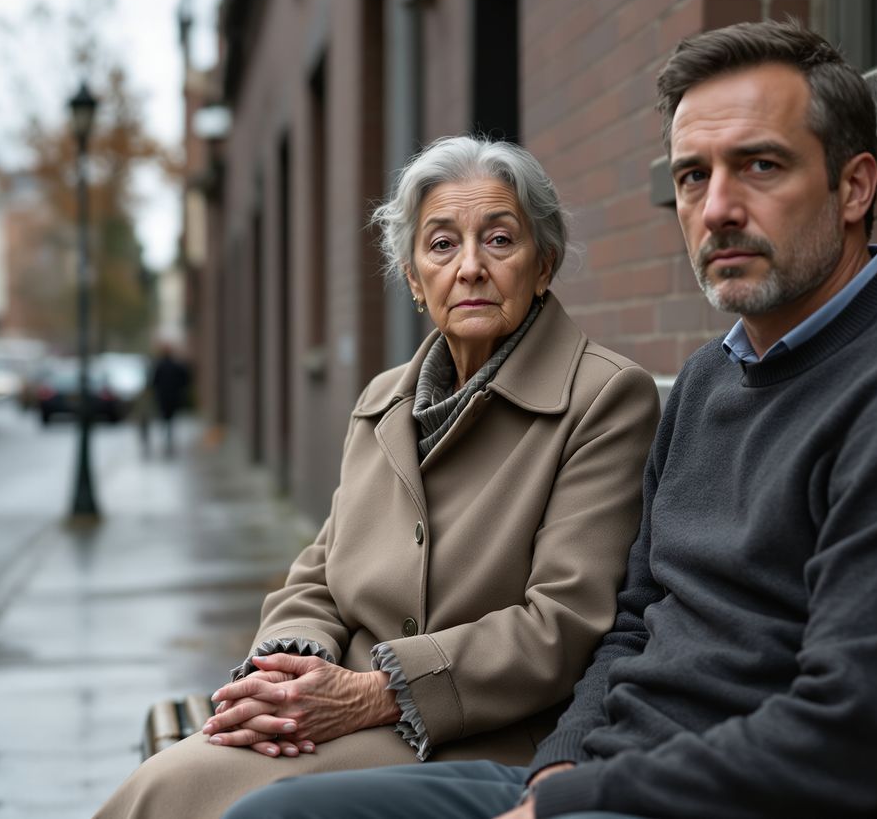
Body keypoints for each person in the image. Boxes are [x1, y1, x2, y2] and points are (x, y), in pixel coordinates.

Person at [223, 20, 877, 819]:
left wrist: (562, 799)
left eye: (762, 166)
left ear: (853, 186)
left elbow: (853, 742)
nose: (717, 210)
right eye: (692, 175)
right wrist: (560, 773)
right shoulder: (713, 378)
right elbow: (633, 624)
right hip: (606, 778)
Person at [94, 136, 660, 818]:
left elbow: (562, 625)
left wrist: (372, 693)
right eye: (443, 245)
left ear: (544, 265)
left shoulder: (604, 399)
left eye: (500, 240)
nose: (472, 267)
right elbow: (319, 572)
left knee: (204, 794)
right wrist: (286, 670)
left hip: (482, 734)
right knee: (168, 784)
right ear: (415, 279)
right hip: (347, 707)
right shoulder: (383, 401)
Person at [149, 343, 189, 456]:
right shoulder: (176, 365)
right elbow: (185, 379)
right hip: (173, 397)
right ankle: (169, 435)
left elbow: (153, 382)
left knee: (165, 417)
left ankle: (167, 435)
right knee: (171, 418)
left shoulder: (159, 366)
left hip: (163, 397)